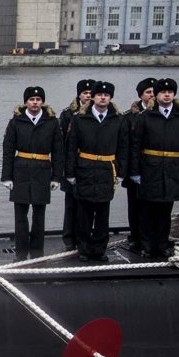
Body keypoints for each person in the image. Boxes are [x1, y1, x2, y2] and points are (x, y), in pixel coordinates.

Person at [130, 78, 179, 258]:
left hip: (172, 168)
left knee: (165, 210)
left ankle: (162, 244)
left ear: (174, 95)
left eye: (170, 92)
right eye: (163, 92)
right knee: (147, 210)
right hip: (150, 167)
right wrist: (135, 171)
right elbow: (136, 146)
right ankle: (147, 245)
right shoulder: (145, 117)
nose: (167, 95)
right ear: (156, 96)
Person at [65, 81, 128, 261]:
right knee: (84, 213)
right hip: (85, 168)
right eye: (99, 94)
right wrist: (69, 173)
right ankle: (83, 249)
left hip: (107, 170)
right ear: (92, 97)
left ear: (110, 98)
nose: (102, 97)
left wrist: (121, 172)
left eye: (106, 95)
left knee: (102, 213)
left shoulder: (118, 120)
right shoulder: (79, 119)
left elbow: (123, 148)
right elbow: (71, 147)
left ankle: (99, 249)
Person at [1, 86, 64, 258]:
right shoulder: (16, 121)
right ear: (26, 102)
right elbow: (8, 150)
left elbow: (58, 152)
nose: (35, 102)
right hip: (20, 169)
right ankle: (21, 250)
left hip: (42, 170)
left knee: (39, 214)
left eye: (38, 99)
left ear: (42, 102)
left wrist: (57, 177)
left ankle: (37, 250)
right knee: (20, 214)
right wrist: (6, 176)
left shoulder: (51, 122)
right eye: (31, 99)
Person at [58, 79, 93, 250]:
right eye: (85, 93)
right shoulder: (67, 114)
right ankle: (69, 238)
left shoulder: (95, 113)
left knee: (87, 205)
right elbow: (61, 142)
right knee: (71, 204)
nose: (88, 95)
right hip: (71, 164)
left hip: (89, 164)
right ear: (79, 94)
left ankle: (84, 237)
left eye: (90, 93)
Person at [122, 77, 155, 251]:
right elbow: (126, 144)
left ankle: (152, 237)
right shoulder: (129, 117)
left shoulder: (158, 115)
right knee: (135, 205)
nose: (152, 95)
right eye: (148, 92)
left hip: (153, 167)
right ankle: (136, 236)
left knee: (152, 204)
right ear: (141, 95)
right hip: (135, 167)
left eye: (153, 92)